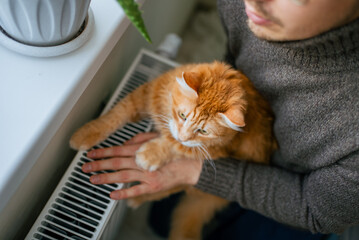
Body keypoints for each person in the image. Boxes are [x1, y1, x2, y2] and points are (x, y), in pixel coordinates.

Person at [81, 0, 359, 239]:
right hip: (231, 140)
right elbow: (233, 63)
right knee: (162, 222)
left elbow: (318, 212)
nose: (253, 2)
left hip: (305, 190)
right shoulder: (246, 8)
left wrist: (193, 171)